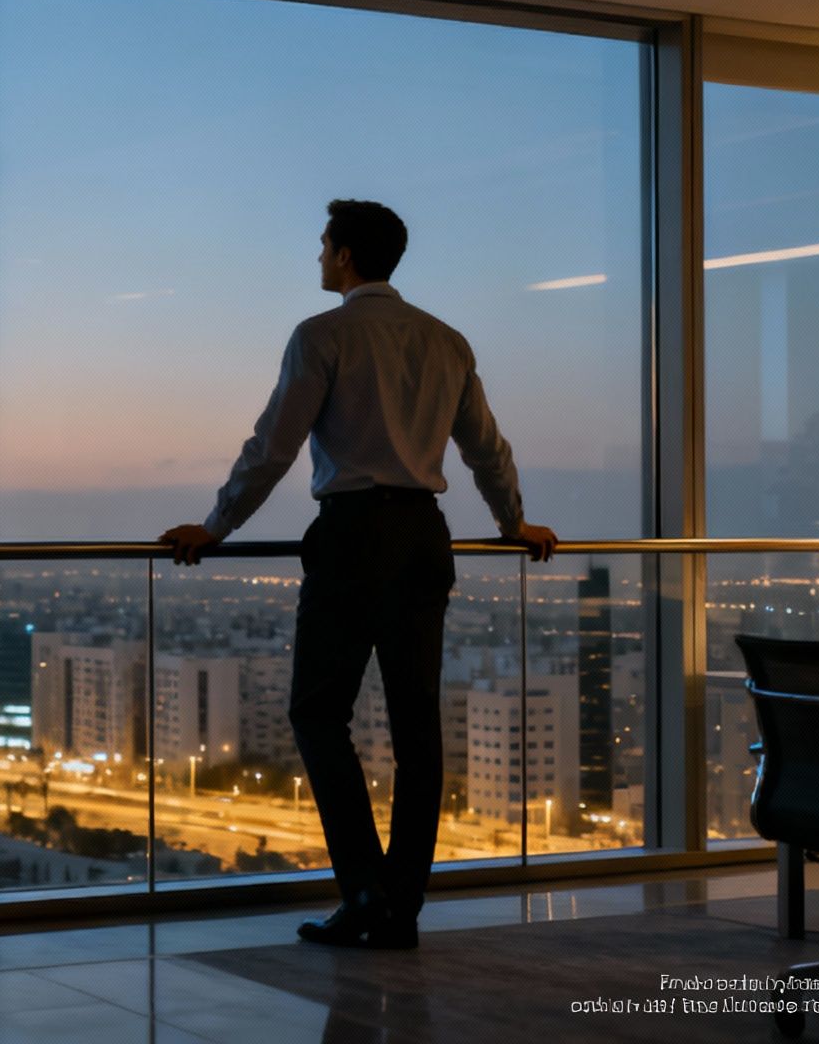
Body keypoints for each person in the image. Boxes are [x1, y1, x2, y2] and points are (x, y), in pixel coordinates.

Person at [159, 198, 556, 950]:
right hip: (423, 538)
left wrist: (214, 528)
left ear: (344, 256)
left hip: (352, 537)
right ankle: (400, 904)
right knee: (417, 730)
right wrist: (513, 524)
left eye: (322, 246)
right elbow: (486, 450)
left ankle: (367, 890)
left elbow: (272, 447)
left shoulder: (321, 336)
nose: (317, 258)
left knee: (316, 714)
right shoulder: (447, 341)